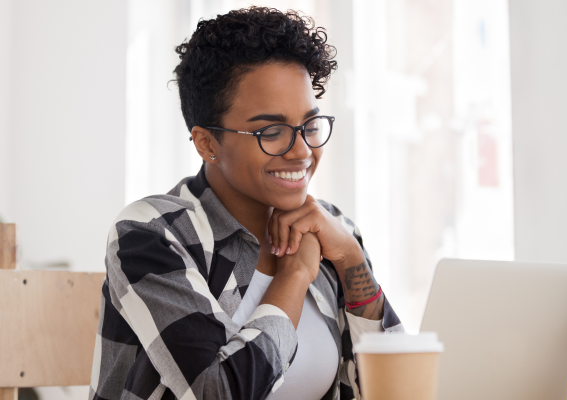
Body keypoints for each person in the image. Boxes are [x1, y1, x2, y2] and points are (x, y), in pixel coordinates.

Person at [89, 7, 402, 400]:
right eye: (272, 131)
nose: (302, 150)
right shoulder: (152, 234)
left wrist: (352, 259)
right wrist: (294, 275)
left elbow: (395, 386)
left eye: (309, 125)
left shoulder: (331, 229)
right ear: (207, 143)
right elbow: (218, 391)